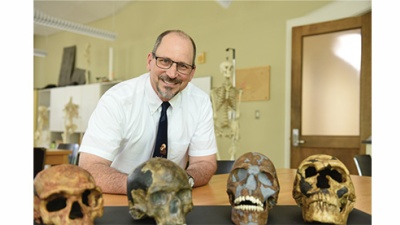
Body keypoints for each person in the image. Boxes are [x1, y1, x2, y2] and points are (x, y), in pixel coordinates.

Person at [78, 30, 218, 194]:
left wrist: (184, 180)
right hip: (119, 198)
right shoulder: (117, 100)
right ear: (150, 61)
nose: (172, 74)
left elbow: (205, 162)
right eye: (165, 61)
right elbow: (90, 168)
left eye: (182, 66)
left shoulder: (200, 102)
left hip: (172, 201)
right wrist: (146, 187)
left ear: (192, 73)